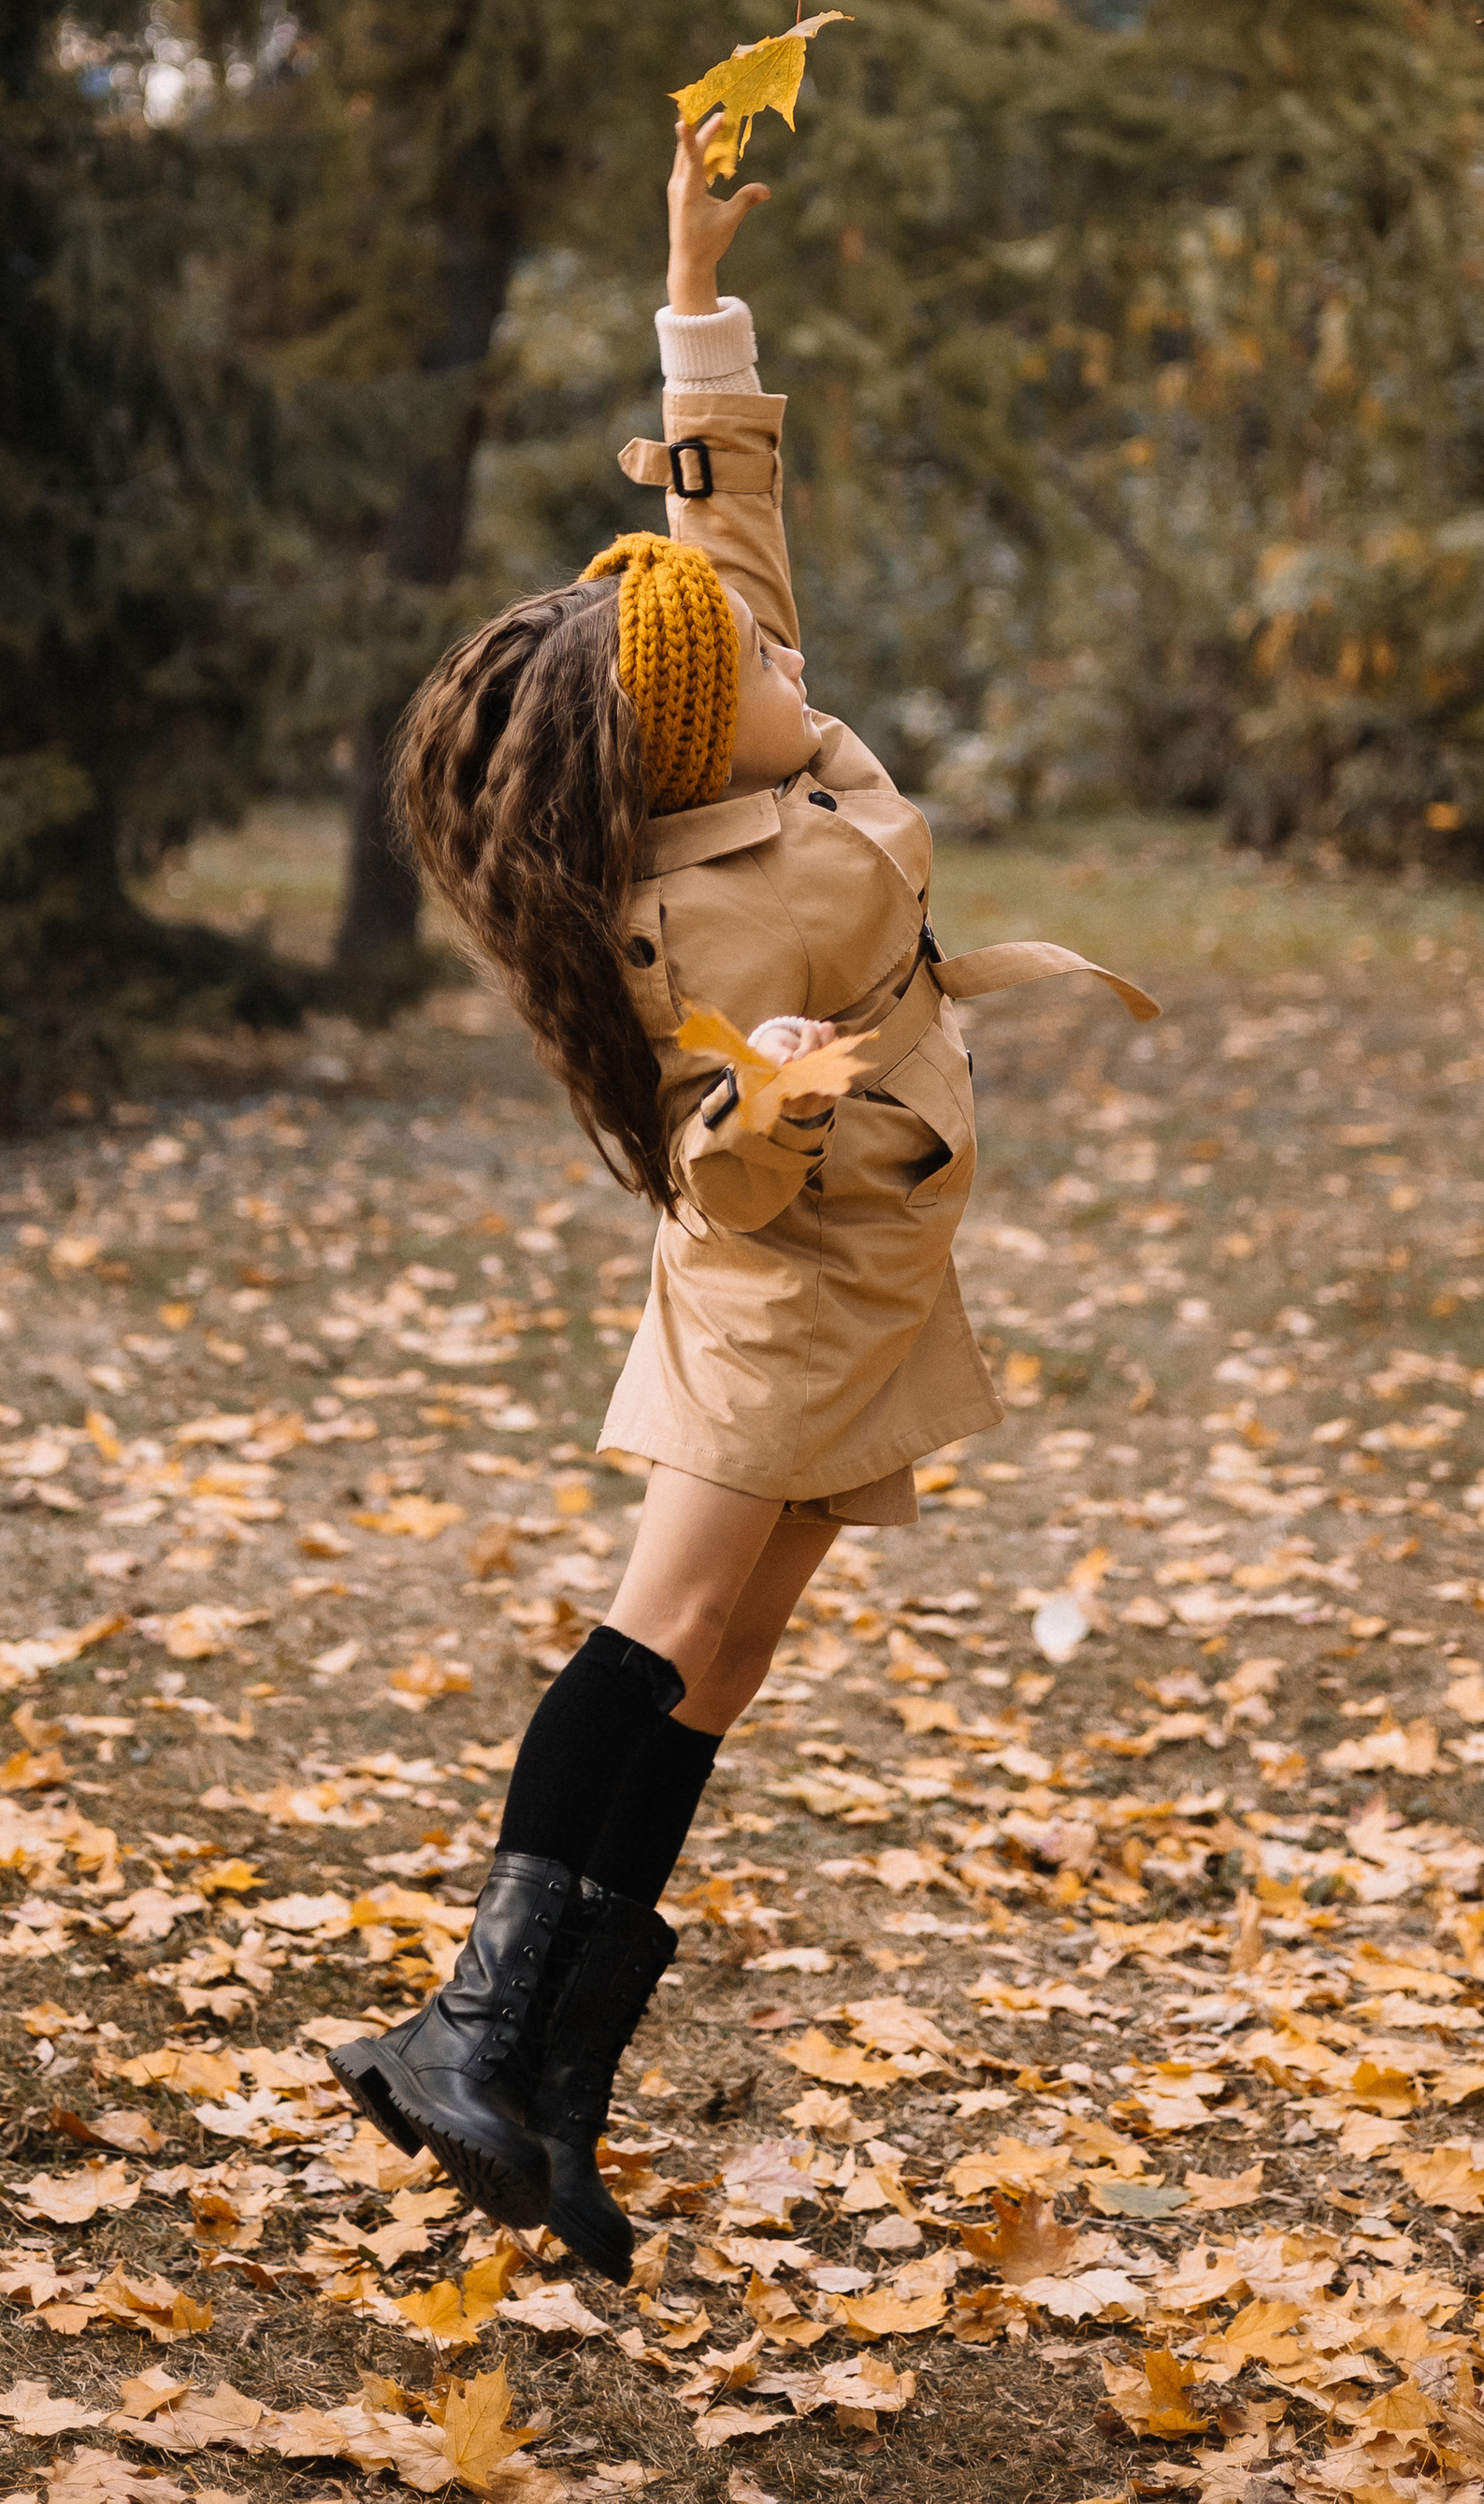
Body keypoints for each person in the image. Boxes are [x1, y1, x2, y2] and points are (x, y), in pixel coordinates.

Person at [329, 110, 1155, 2282]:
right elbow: (698, 1150)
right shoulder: (679, 924)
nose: (803, 663)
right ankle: (472, 2038)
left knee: (733, 1654)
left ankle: (554, 2090)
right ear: (699, 748)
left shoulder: (736, 716)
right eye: (766, 668)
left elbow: (724, 504)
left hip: (871, 1260)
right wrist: (776, 1108)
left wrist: (692, 276)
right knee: (663, 1626)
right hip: (780, 1273)